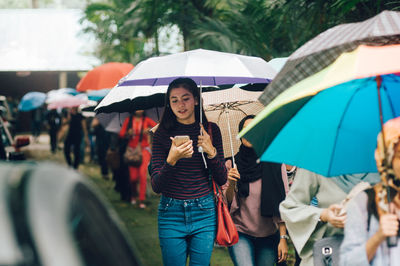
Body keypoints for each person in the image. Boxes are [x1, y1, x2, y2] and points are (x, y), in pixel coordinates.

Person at [150, 77, 227, 266]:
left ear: (196, 100)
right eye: (174, 100)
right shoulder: (161, 133)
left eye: (185, 98)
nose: (180, 105)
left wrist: (211, 151)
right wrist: (172, 160)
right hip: (171, 212)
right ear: (168, 104)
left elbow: (222, 177)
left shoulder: (210, 130)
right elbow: (156, 186)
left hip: (204, 211)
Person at [279, 167, 380, 266]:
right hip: (328, 255)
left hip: (376, 252)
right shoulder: (318, 163)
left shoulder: (384, 167)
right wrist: (323, 215)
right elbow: (290, 208)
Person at [225, 115, 289, 266]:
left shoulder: (275, 163)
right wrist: (232, 183)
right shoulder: (231, 164)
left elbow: (283, 203)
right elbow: (227, 203)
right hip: (240, 233)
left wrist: (283, 239)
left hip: (268, 235)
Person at [341, 117, 400, 265]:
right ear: (387, 158)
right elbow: (347, 263)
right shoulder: (364, 202)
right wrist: (378, 237)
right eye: (399, 155)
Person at [119, 110, 156, 208]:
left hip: (144, 150)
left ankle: (142, 200)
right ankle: (134, 195)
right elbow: (121, 134)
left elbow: (157, 127)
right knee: (133, 178)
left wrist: (149, 130)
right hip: (132, 151)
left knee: (142, 174)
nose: (139, 110)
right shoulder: (128, 120)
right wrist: (128, 132)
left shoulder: (147, 120)